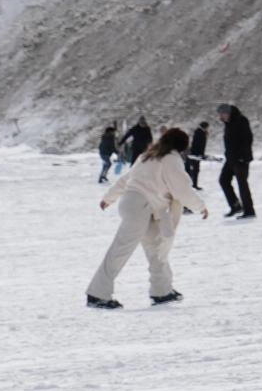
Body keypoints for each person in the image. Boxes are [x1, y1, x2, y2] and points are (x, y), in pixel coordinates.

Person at [87, 127, 206, 309]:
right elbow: (182, 189)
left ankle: (162, 291)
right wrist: (200, 206)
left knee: (157, 249)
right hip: (141, 207)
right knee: (121, 250)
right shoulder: (171, 159)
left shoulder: (147, 156)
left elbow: (125, 179)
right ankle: (97, 294)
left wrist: (109, 197)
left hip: (137, 205)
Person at [216, 102, 254, 218]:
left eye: (222, 114)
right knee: (223, 180)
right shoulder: (228, 123)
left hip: (241, 158)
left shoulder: (241, 120)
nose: (220, 117)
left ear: (228, 113)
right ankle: (235, 205)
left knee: (242, 184)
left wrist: (242, 155)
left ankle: (249, 211)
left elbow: (248, 138)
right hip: (231, 158)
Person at [187, 121, 209, 189]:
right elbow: (201, 145)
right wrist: (201, 154)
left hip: (194, 153)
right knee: (195, 169)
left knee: (193, 169)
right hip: (196, 154)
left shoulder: (199, 132)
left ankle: (192, 183)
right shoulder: (201, 133)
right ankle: (193, 184)